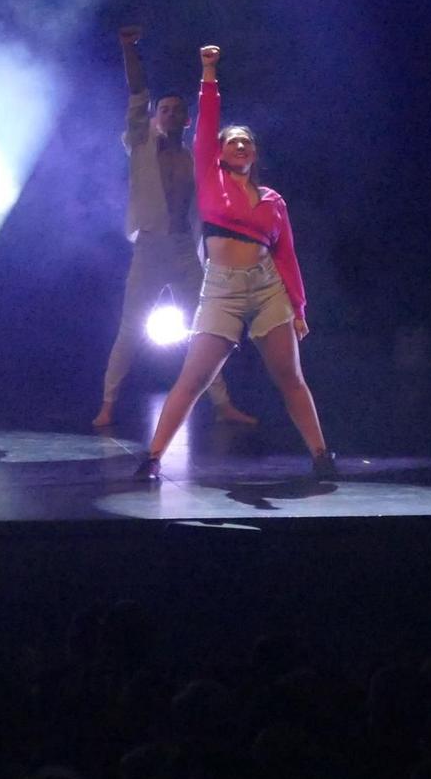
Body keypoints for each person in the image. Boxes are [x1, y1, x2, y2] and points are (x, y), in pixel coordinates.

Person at [133, 45, 335, 481]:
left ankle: (321, 455)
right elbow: (206, 125)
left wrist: (298, 308)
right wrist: (209, 73)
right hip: (222, 289)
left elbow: (286, 256)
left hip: (267, 290)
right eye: (233, 141)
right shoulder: (210, 177)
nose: (240, 145)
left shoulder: (272, 201)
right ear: (220, 152)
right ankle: (151, 458)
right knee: (193, 378)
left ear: (254, 154)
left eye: (247, 142)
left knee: (290, 377)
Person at [92, 26, 254, 429]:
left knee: (206, 328)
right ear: (155, 117)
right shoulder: (141, 143)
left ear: (185, 119)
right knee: (129, 328)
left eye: (176, 111)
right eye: (163, 110)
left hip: (183, 248)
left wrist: (209, 72)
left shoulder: (195, 157)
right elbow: (136, 93)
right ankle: (108, 403)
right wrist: (129, 48)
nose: (169, 115)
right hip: (149, 247)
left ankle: (222, 403)